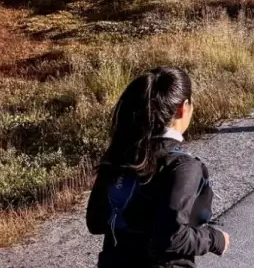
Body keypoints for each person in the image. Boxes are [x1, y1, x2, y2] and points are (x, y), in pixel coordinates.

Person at [86, 66, 231, 267]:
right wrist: (215, 239)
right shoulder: (184, 167)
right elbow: (171, 238)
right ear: (183, 108)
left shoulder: (118, 155)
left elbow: (95, 222)